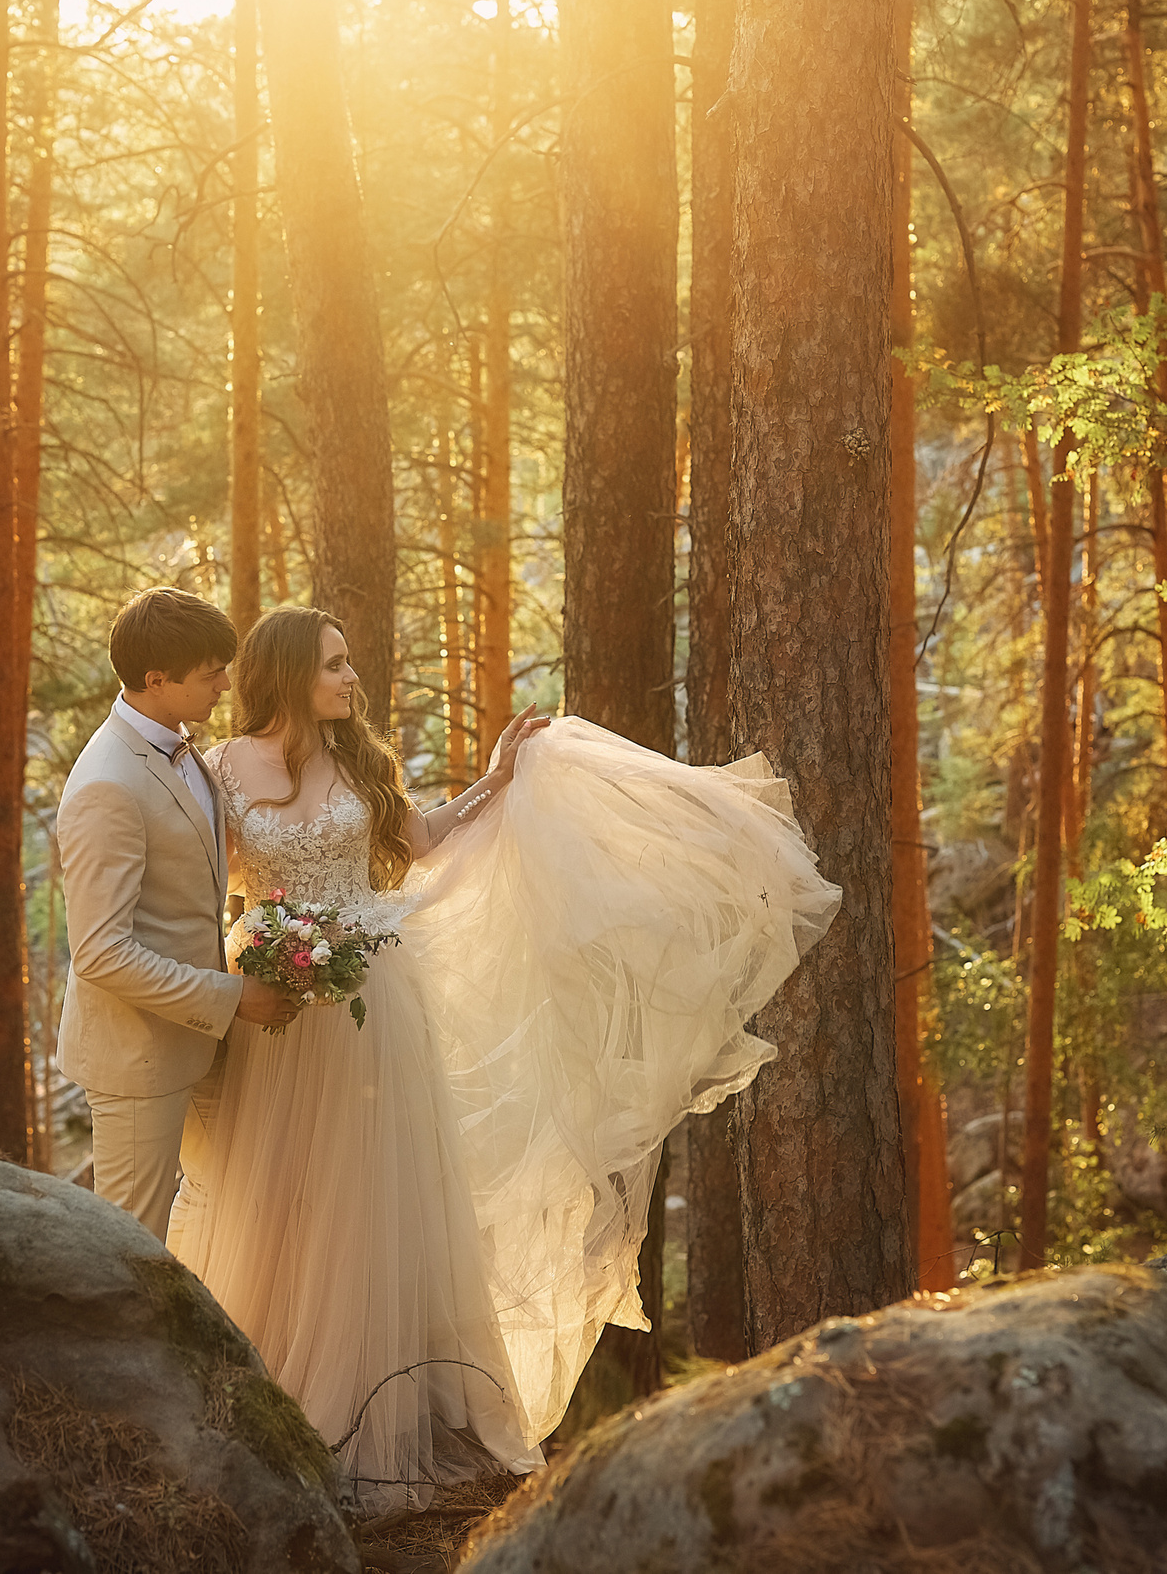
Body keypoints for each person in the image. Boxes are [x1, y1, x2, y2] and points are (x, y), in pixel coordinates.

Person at [173, 604, 840, 1510]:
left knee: (369, 1198)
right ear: (287, 671)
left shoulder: (357, 759)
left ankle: (376, 1410)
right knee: (276, 1190)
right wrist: (249, 959)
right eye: (335, 663)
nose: (351, 675)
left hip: (371, 997)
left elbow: (420, 841)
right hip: (273, 1002)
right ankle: (267, 1388)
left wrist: (492, 780)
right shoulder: (217, 771)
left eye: (350, 658)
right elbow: (206, 881)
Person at [54, 587, 301, 1240]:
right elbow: (101, 953)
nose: (226, 683)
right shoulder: (107, 782)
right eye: (211, 672)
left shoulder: (185, 747)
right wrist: (230, 996)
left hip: (203, 1039)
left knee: (234, 1211)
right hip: (137, 1054)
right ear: (156, 681)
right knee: (131, 1244)